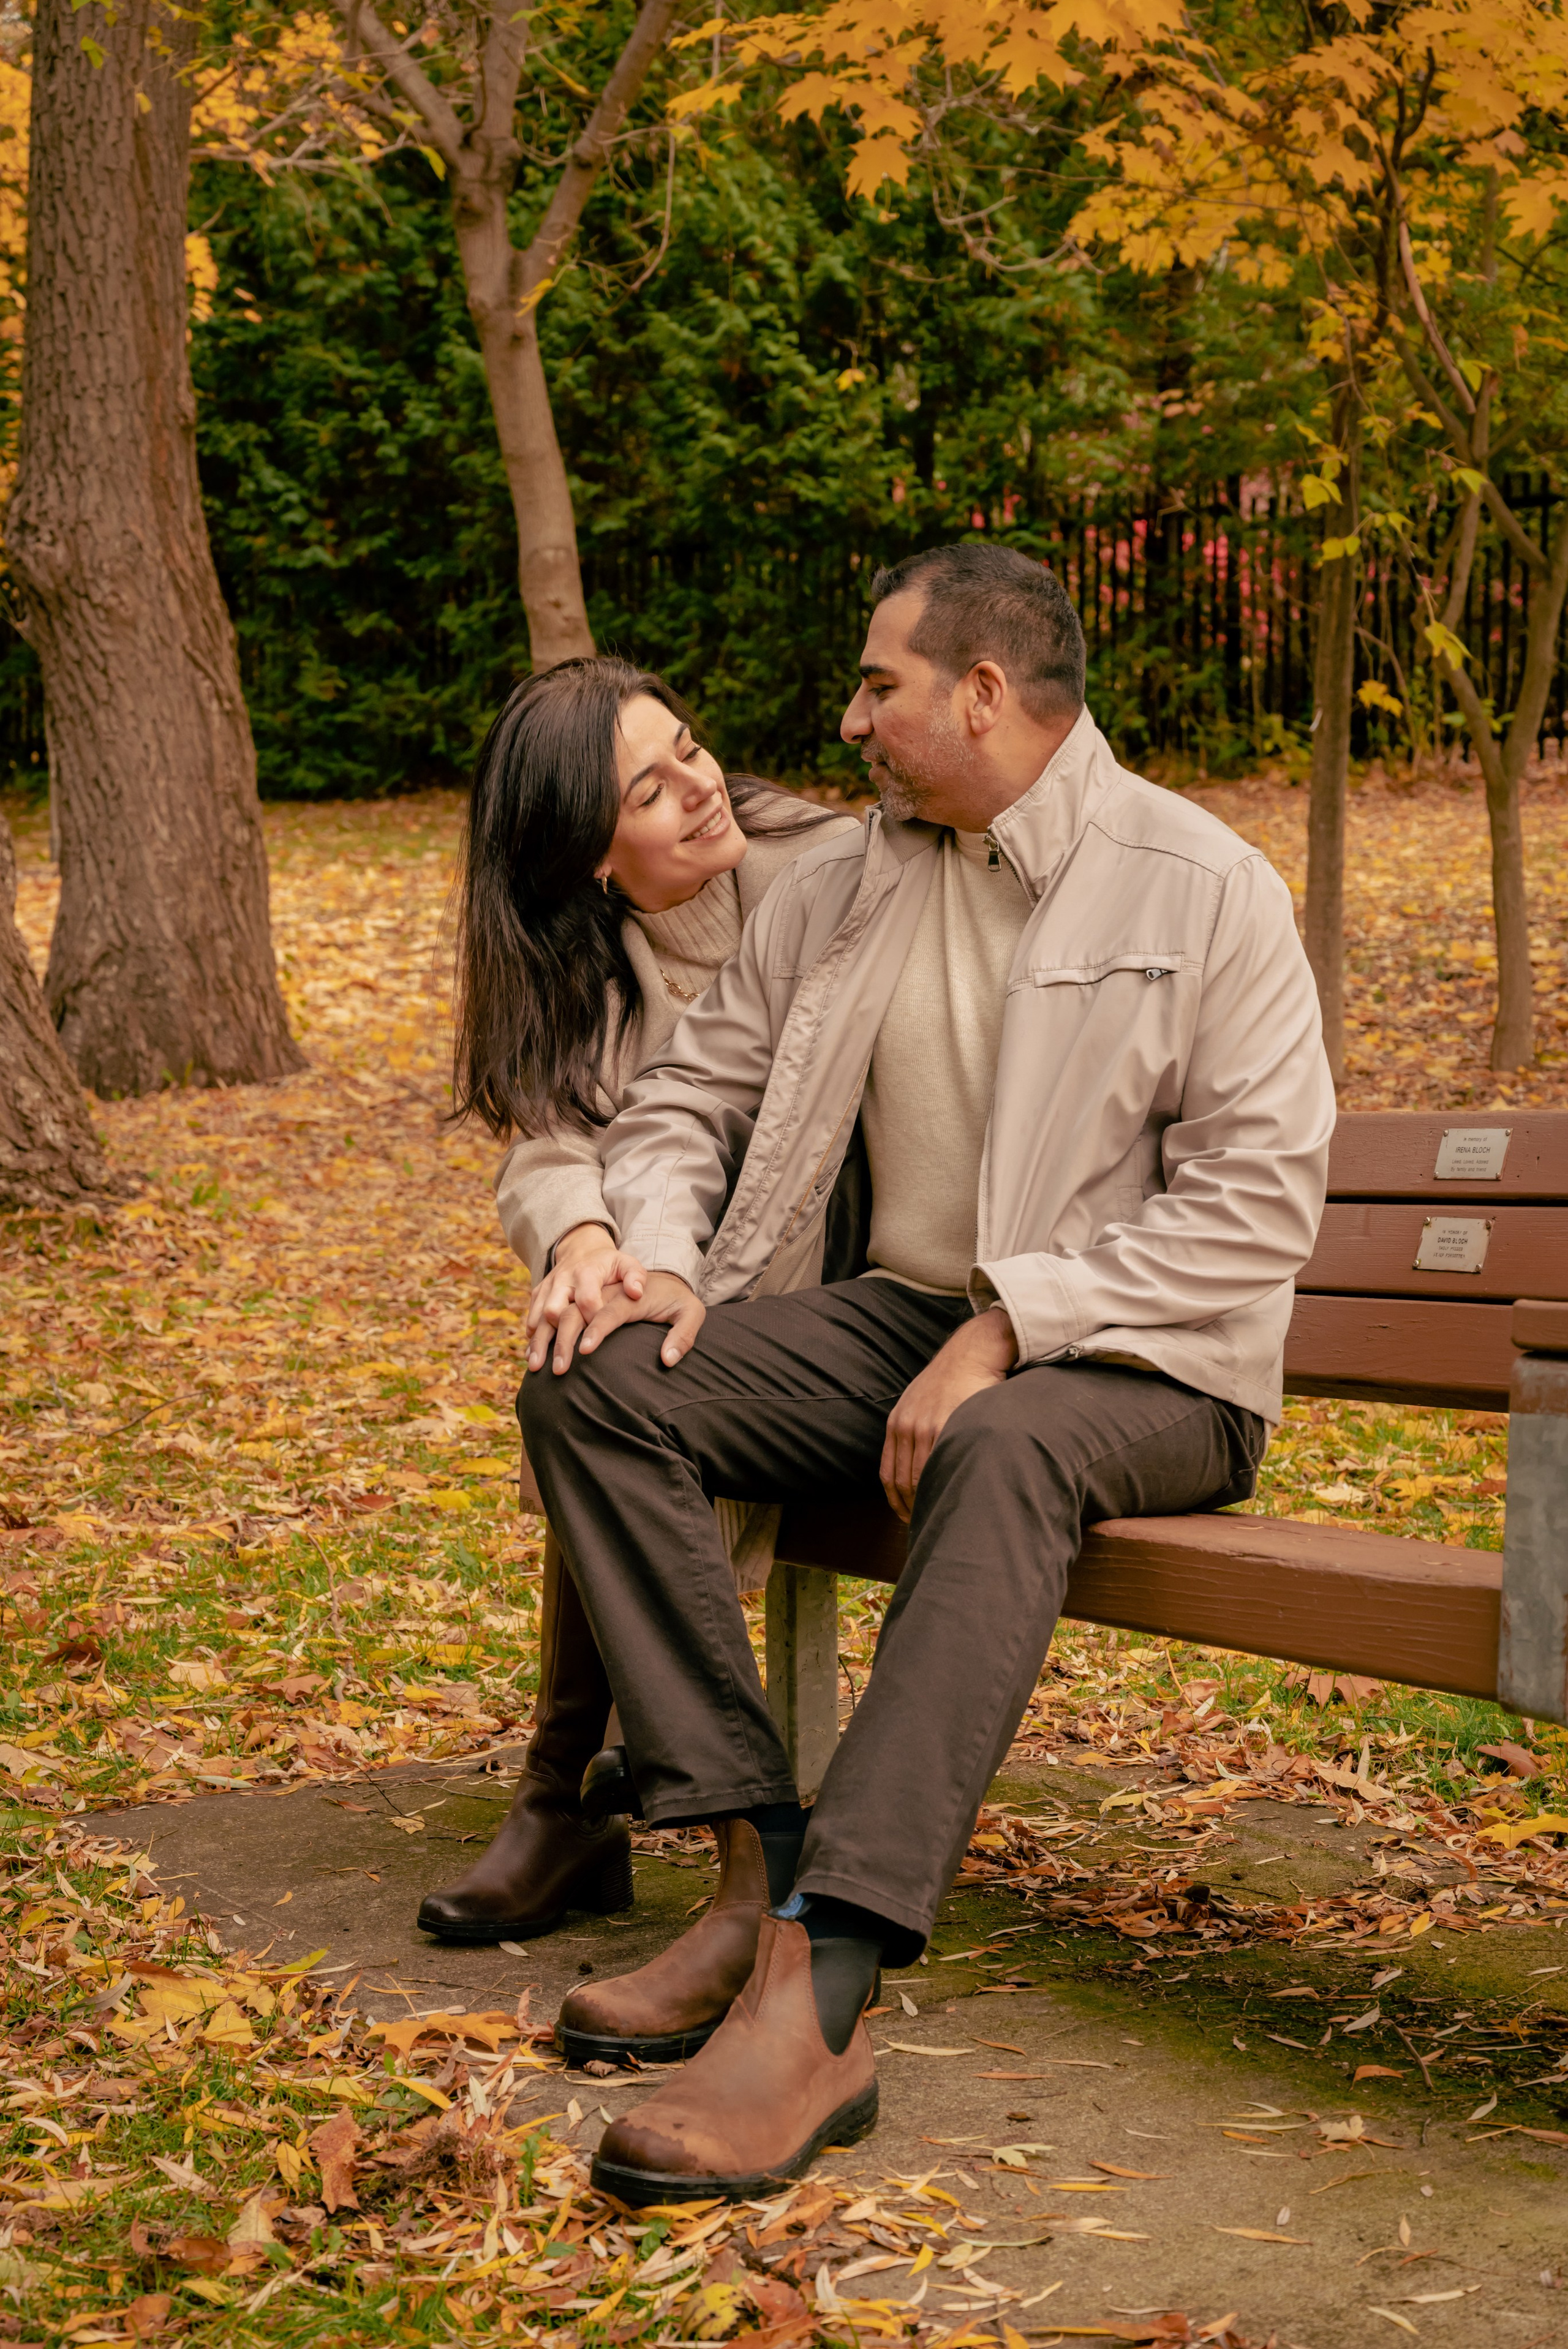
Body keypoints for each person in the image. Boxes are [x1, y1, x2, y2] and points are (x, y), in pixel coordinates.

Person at [519, 544, 1337, 2203]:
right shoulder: (846, 881)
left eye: (880, 684)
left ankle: (824, 1988)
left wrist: (1011, 1320)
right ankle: (756, 1857)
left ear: (981, 691)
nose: (851, 717)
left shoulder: (1202, 883)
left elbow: (1256, 1207)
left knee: (1009, 1445)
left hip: (1149, 1360)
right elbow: (683, 1102)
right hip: (902, 1320)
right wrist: (651, 1251)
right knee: (599, 1379)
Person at [417, 655, 849, 1949]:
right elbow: (548, 1141)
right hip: (691, 1299)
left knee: (615, 1382)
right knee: (592, 1350)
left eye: (690, 752)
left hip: (834, 1291)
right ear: (589, 859)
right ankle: (568, 1803)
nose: (700, 791)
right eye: (648, 793)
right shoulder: (584, 962)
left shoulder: (824, 876)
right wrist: (587, 1239)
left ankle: (574, 1800)